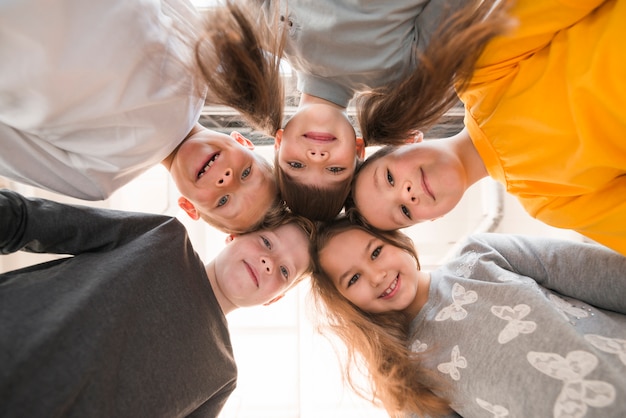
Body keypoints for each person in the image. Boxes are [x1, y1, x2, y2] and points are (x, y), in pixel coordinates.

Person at [0, 189, 314, 417]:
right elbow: (34, 221)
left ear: (275, 299)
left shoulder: (222, 378)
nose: (268, 261)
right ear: (235, 235)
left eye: (284, 271)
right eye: (267, 242)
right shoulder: (164, 236)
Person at [350, 0, 626, 256]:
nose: (406, 194)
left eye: (388, 178)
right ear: (436, 217)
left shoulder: (481, 71)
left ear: (408, 139)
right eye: (405, 211)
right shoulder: (550, 203)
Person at [194, 0, 510, 220]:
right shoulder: (402, 75)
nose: (316, 158)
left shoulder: (266, 31)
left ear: (278, 142)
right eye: (335, 170)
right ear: (359, 150)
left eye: (296, 164)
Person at [0, 0, 279, 234]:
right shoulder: (199, 59)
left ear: (188, 208)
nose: (226, 179)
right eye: (246, 173)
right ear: (244, 141)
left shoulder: (96, 180)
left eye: (223, 201)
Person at [309, 216, 626, 417]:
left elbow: (602, 275)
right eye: (353, 279)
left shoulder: (481, 255)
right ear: (346, 302)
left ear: (397, 240)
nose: (376, 275)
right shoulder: (405, 377)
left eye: (376, 251)